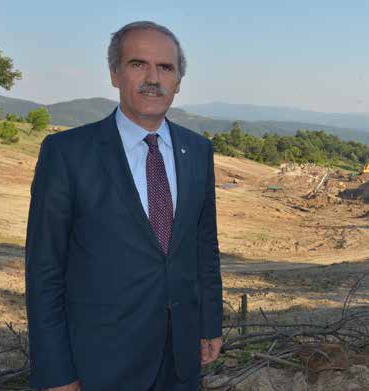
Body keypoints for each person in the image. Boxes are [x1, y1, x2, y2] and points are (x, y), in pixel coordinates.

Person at [25, 21, 223, 391]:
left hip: (181, 360)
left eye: (165, 67)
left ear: (178, 80)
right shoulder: (67, 154)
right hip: (100, 363)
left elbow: (203, 246)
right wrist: (55, 370)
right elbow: (44, 270)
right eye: (138, 64)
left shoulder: (197, 151)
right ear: (115, 73)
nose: (153, 78)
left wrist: (209, 323)